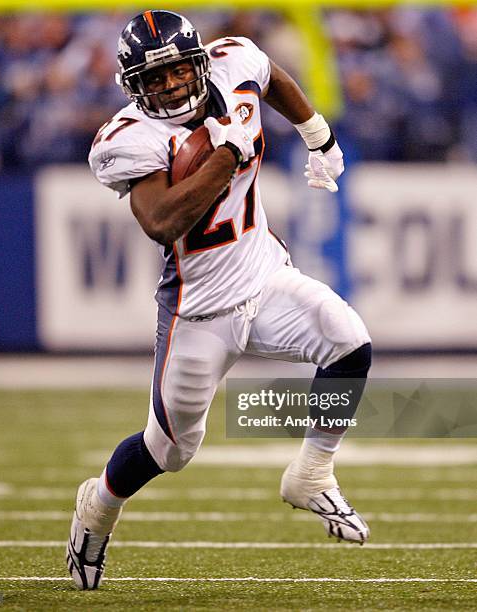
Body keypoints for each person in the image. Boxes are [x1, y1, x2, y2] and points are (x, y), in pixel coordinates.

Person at [66, 9, 372, 590]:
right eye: (153, 80)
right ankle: (98, 506)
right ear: (134, 86)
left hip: (263, 275)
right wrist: (225, 156)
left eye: (178, 71)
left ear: (199, 62)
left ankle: (312, 473)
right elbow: (161, 220)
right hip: (198, 313)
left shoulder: (233, 62)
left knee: (348, 340)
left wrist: (317, 134)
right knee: (168, 451)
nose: (171, 86)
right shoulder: (131, 138)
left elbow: (271, 75)